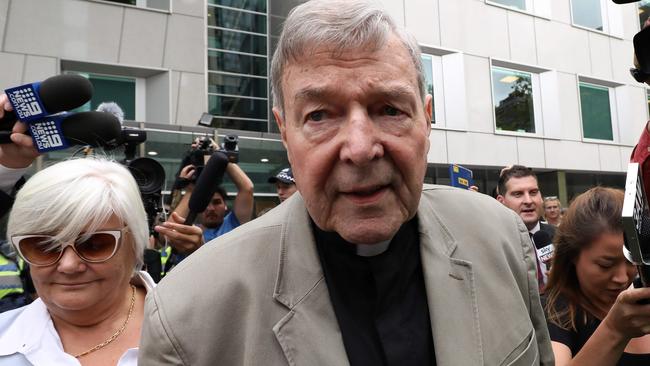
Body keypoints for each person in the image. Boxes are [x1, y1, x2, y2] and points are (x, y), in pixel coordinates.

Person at [139, 1, 553, 365]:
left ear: (427, 120)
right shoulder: (188, 313)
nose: (359, 148)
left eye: (389, 109)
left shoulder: (500, 237)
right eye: (319, 115)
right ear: (285, 132)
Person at [0, 158, 155, 365]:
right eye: (44, 247)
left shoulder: (197, 330)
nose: (69, 265)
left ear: (134, 243)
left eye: (94, 244)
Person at [544, 187, 650, 365]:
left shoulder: (642, 295)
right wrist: (614, 330)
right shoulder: (555, 311)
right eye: (605, 265)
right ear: (573, 256)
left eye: (632, 262)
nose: (622, 278)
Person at [497, 164, 556, 290]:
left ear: (541, 198)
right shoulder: (494, 244)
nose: (528, 201)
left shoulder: (562, 237)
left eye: (533, 192)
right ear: (501, 201)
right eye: (518, 194)